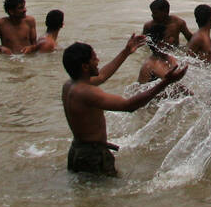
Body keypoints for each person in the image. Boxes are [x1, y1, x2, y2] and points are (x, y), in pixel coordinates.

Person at [62, 37, 186, 176]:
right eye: (94, 58)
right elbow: (129, 106)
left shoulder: (70, 85)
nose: (98, 61)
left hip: (78, 150)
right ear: (85, 66)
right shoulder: (87, 92)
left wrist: (126, 52)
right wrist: (165, 83)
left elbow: (102, 75)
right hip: (93, 155)